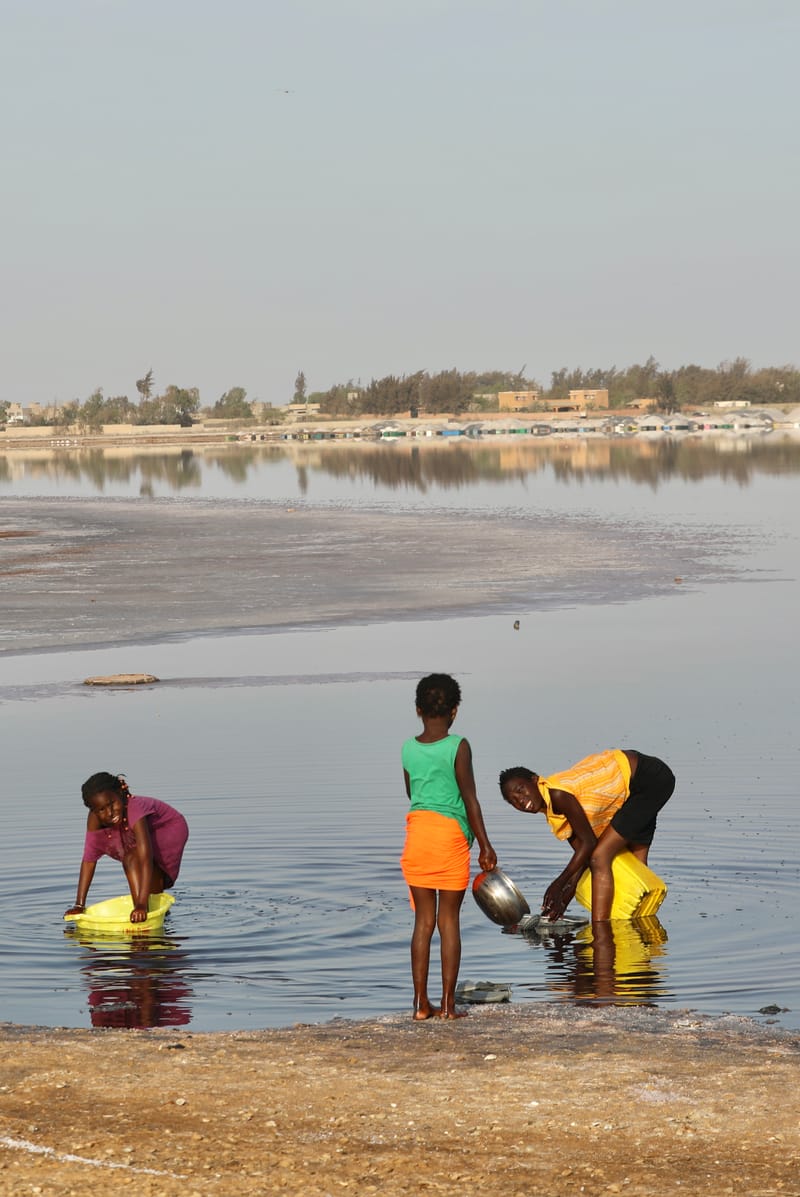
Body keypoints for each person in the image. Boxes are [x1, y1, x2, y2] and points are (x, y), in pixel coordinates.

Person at [400, 674, 497, 1020]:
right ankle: (447, 1006)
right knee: (448, 921)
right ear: (454, 711)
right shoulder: (459, 746)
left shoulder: (408, 748)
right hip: (450, 838)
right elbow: (470, 799)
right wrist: (485, 845)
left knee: (423, 922)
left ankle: (419, 1005)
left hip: (417, 836)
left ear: (418, 710)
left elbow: (411, 793)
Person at [499, 749, 674, 923]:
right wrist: (563, 901)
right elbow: (584, 855)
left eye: (520, 790)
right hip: (637, 785)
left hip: (648, 779)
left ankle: (600, 927)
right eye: (513, 800)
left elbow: (589, 845)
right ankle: (640, 924)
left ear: (535, 780)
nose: (520, 800)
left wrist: (559, 883)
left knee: (600, 856)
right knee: (634, 864)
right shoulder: (554, 814)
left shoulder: (558, 794)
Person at [64, 772, 189, 924]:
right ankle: (154, 913)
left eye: (112, 804)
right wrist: (79, 905)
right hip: (137, 835)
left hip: (167, 828)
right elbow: (88, 861)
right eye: (101, 810)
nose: (110, 813)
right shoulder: (94, 822)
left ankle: (145, 910)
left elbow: (145, 859)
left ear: (120, 793)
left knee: (134, 860)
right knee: (133, 860)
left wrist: (141, 905)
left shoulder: (134, 808)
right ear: (93, 811)